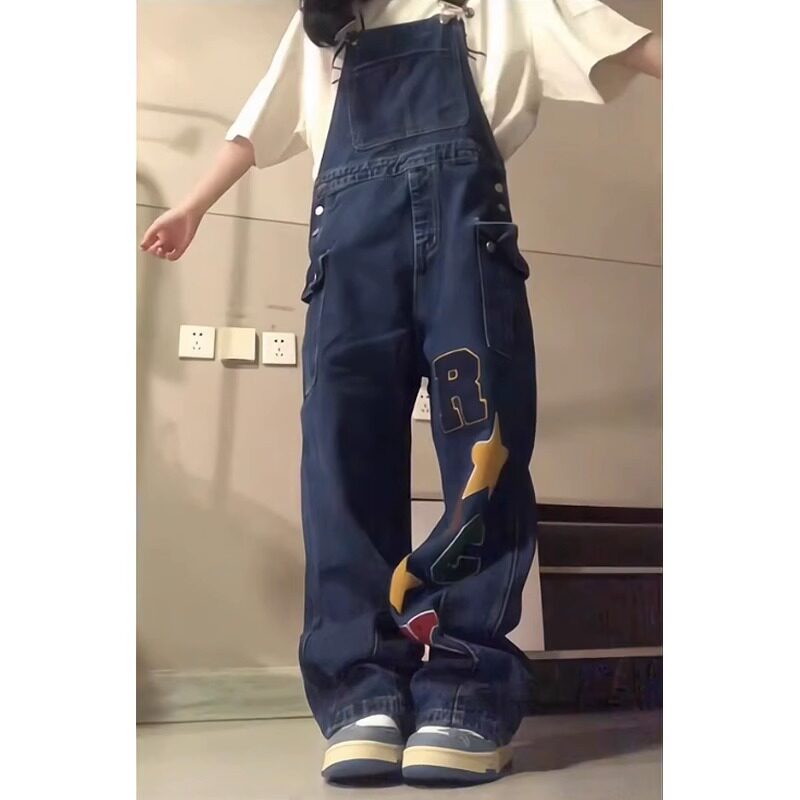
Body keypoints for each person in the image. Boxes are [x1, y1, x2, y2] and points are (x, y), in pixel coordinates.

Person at [141, 0, 662, 786]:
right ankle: (361, 692)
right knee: (341, 460)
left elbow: (624, 44)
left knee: (483, 456)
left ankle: (466, 690)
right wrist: (191, 207)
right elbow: (258, 122)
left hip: (467, 244)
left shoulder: (503, 4)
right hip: (349, 254)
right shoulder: (326, 20)